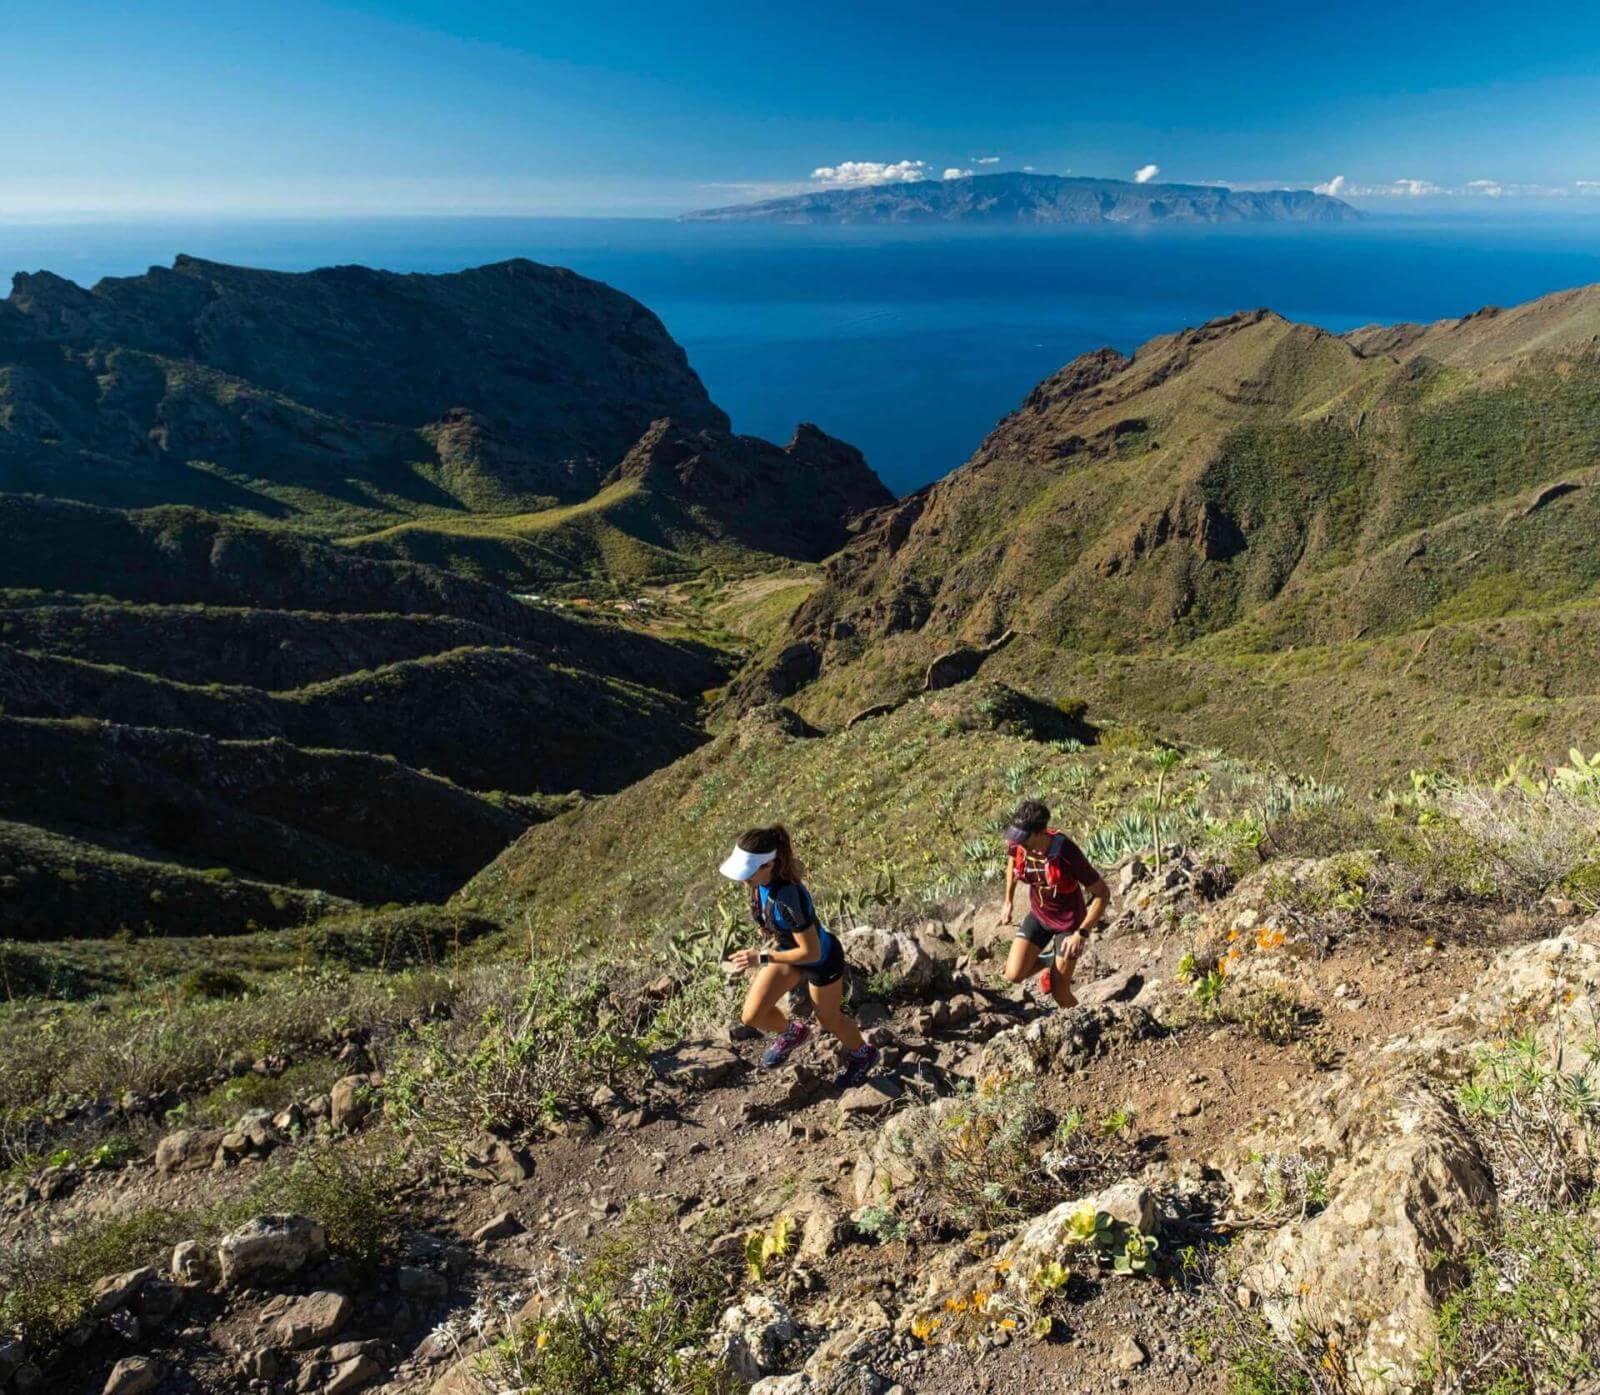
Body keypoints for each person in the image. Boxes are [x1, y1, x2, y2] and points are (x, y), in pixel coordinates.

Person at [719, 825, 880, 1088]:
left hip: (821, 960)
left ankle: (865, 1054)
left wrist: (761, 958)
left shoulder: (787, 898)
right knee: (751, 1016)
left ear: (768, 865)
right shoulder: (760, 884)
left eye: (748, 873)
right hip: (788, 952)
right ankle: (792, 1032)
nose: (742, 880)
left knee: (828, 1020)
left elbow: (811, 951)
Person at [1000, 799, 1110, 1008]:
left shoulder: (1067, 854)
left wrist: (1081, 933)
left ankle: (1089, 1024)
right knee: (1013, 975)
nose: (1020, 845)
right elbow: (1012, 863)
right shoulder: (1020, 845)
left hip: (1069, 925)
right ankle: (1051, 959)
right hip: (1040, 915)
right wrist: (1008, 901)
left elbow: (1102, 894)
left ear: (1040, 832)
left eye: (1025, 840)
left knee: (1060, 993)